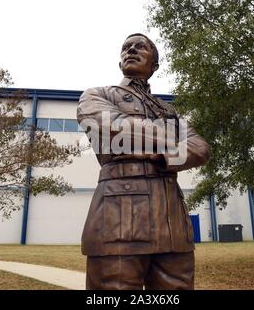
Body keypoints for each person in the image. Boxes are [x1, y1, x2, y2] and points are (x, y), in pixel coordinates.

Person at [77, 33, 210, 290]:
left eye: (141, 47)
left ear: (155, 65)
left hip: (171, 219)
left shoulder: (168, 110)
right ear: (120, 63)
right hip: (119, 215)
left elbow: (201, 148)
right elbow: (112, 127)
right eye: (126, 47)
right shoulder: (97, 95)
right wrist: (172, 136)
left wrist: (163, 155)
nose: (132, 50)